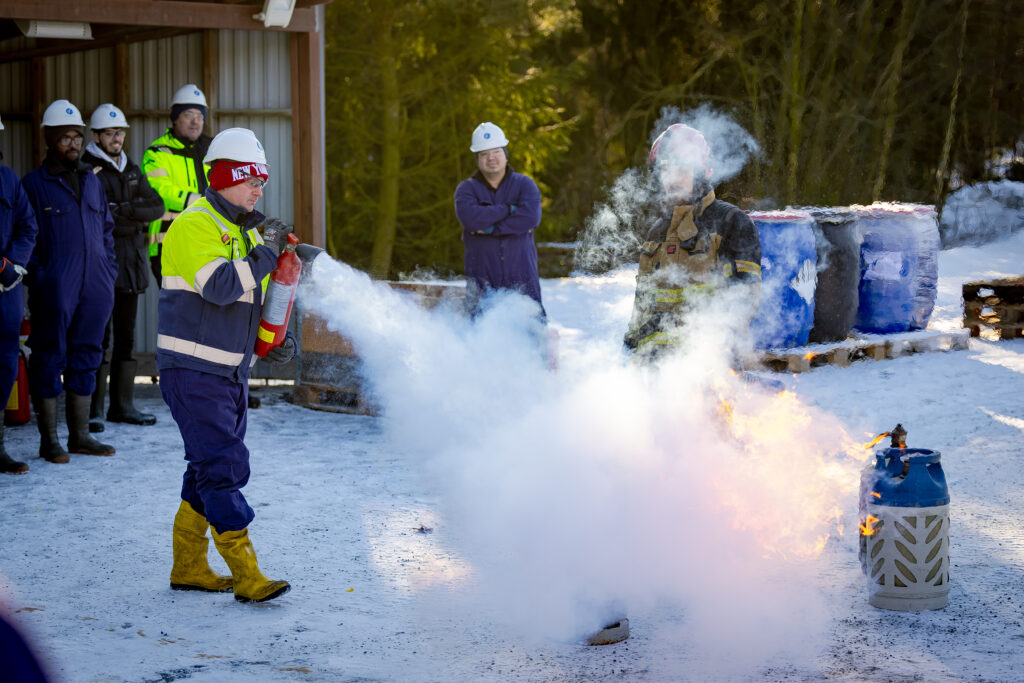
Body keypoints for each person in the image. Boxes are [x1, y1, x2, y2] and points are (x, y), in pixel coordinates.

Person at [159, 127, 306, 603]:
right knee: (223, 467)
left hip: (228, 373)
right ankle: (247, 573)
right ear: (223, 178)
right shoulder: (193, 225)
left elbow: (246, 300)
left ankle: (189, 567)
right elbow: (220, 286)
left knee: (204, 467)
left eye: (262, 181)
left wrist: (273, 341)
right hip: (193, 372)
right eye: (251, 180)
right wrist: (263, 251)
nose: (259, 190)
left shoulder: (242, 233)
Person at [21, 100, 117, 463]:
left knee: (88, 355)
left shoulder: (92, 183)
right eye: (65, 138)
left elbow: (106, 230)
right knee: (48, 356)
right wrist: (39, 276)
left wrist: (108, 271)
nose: (74, 144)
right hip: (55, 286)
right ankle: (50, 441)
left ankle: (79, 436)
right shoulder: (33, 184)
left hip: (95, 286)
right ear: (50, 141)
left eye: (77, 137)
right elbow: (25, 233)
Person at [623, 123, 761, 360]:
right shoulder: (656, 232)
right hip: (652, 376)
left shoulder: (730, 222)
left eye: (681, 171)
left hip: (707, 372)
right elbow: (642, 304)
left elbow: (744, 303)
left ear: (700, 174)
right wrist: (631, 348)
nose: (672, 180)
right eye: (666, 171)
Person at [82, 104, 165, 433]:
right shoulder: (87, 168)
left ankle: (122, 406)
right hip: (101, 268)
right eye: (111, 133)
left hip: (130, 267)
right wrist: (130, 216)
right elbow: (95, 215)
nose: (117, 138)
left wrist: (123, 211)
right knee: (98, 340)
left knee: (126, 339)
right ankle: (93, 410)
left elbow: (156, 206)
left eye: (120, 133)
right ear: (97, 136)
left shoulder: (130, 167)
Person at [454, 122, 544, 317]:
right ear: (477, 158)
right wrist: (508, 209)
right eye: (484, 154)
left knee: (531, 340)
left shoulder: (524, 185)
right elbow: (471, 220)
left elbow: (530, 217)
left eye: (496, 152)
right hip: (482, 284)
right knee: (481, 340)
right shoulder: (466, 189)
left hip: (523, 282)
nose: (491, 158)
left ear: (505, 153)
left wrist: (490, 229)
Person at [142, 84, 211, 286]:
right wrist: (199, 201)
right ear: (175, 117)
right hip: (168, 243)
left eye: (200, 115)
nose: (195, 121)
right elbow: (160, 191)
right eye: (188, 114)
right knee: (177, 311)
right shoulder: (158, 152)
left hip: (206, 241)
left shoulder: (212, 149)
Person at [0, 113, 38, 474]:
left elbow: (28, 225)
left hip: (6, 291)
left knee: (4, 362)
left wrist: (12, 265)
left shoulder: (8, 179)